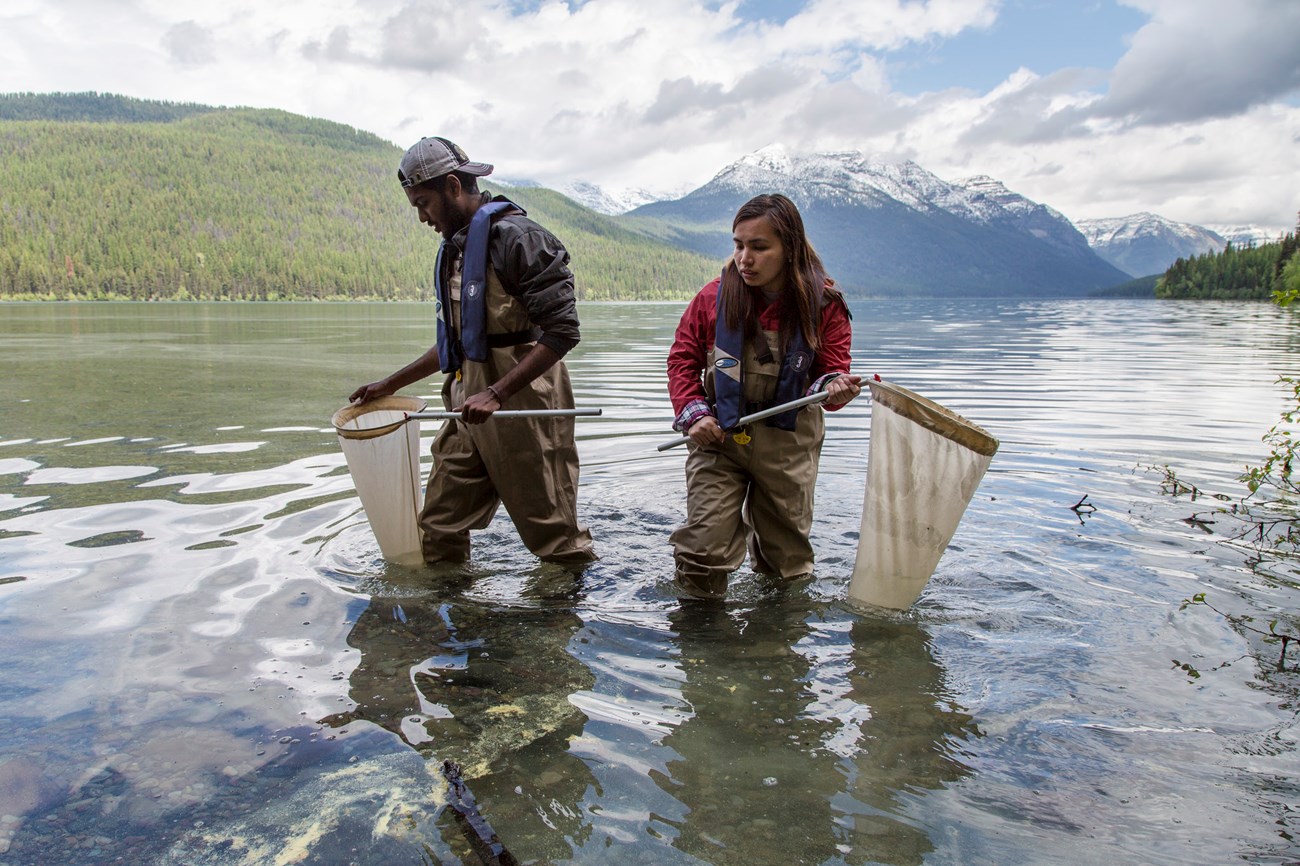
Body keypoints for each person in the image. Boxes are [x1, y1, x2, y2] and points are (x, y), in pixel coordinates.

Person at [350, 136, 596, 566]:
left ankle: (562, 622)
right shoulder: (457, 249)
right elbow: (458, 341)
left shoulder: (522, 240)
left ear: (452, 186)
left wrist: (497, 394)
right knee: (440, 523)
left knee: (554, 535)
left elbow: (562, 332)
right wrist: (389, 385)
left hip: (525, 403)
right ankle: (456, 620)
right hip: (467, 402)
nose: (422, 216)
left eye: (423, 203)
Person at [666, 193, 861, 598]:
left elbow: (831, 377)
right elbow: (681, 361)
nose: (744, 258)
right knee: (702, 549)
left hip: (788, 444)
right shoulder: (712, 298)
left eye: (758, 247)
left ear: (789, 249)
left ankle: (776, 642)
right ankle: (699, 637)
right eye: (738, 245)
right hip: (718, 436)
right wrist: (695, 414)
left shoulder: (825, 305)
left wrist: (835, 389)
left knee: (785, 563)